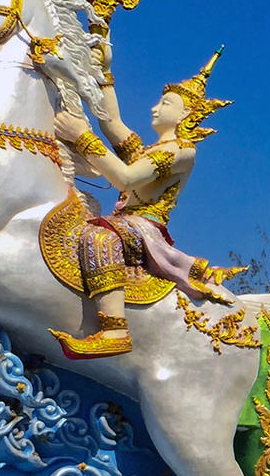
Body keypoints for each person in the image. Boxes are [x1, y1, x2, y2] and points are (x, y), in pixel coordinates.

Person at [48, 44, 242, 358]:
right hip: (126, 222)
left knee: (98, 236)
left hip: (144, 229)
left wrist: (81, 137)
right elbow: (110, 122)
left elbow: (124, 178)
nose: (154, 107)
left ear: (186, 114)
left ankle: (115, 330)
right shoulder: (146, 151)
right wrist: (104, 72)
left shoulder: (182, 151)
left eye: (165, 103)